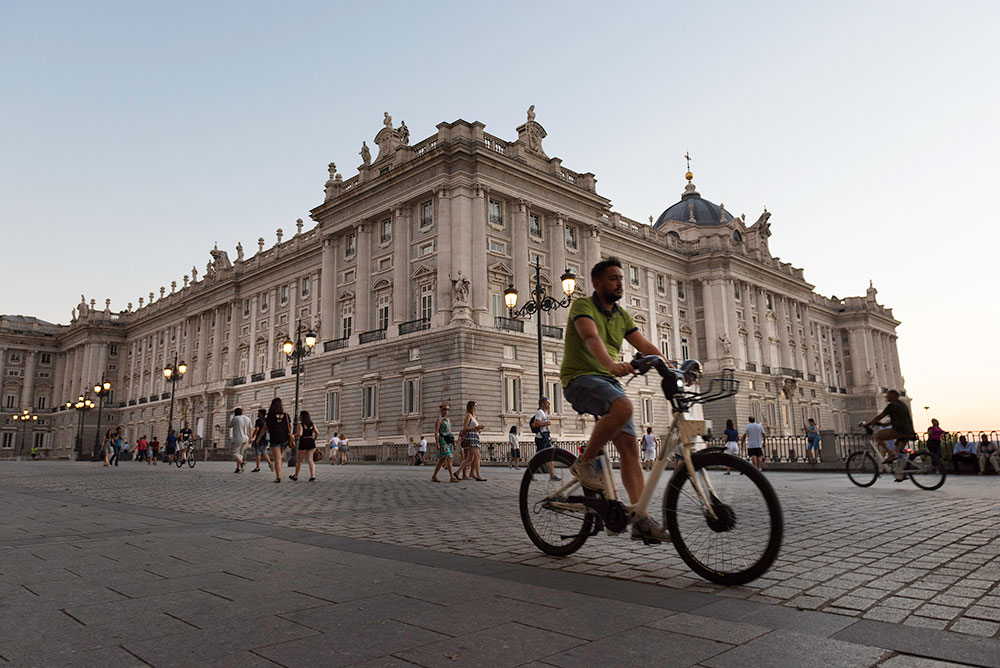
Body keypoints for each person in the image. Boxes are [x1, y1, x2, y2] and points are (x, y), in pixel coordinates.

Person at [562, 257, 671, 543]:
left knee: (629, 450)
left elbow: (644, 345)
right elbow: (590, 337)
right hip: (580, 379)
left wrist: (671, 367)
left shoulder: (621, 316)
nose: (620, 282)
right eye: (613, 278)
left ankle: (640, 518)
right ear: (597, 283)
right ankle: (584, 463)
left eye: (621, 278)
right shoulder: (583, 305)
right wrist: (610, 364)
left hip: (607, 382)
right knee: (624, 405)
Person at [863, 390, 916, 481]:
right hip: (909, 431)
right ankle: (900, 473)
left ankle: (890, 453)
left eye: (888, 395)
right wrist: (885, 425)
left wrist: (869, 424)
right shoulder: (902, 404)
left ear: (893, 396)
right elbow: (899, 419)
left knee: (877, 436)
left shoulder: (892, 405)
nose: (886, 397)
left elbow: (880, 416)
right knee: (899, 451)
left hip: (899, 431)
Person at [455, 401, 487, 481]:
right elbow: (465, 427)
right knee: (477, 456)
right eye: (475, 405)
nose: (476, 407)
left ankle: (457, 472)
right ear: (471, 406)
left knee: (470, 458)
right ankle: (478, 475)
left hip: (475, 436)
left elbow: (474, 428)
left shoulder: (474, 417)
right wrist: (476, 428)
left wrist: (479, 429)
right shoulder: (469, 416)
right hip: (471, 436)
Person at [266, 398, 294, 483]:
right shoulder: (286, 415)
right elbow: (290, 426)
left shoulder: (270, 416)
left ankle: (278, 477)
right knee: (279, 457)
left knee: (277, 458)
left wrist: (259, 437)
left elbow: (266, 427)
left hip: (275, 438)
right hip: (284, 438)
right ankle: (278, 473)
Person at [532, 397, 559, 481]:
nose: (549, 404)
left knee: (549, 456)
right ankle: (530, 473)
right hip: (541, 439)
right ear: (543, 404)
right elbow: (536, 423)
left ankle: (552, 475)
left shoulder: (543, 413)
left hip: (546, 438)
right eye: (547, 403)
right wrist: (546, 423)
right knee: (539, 458)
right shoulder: (540, 412)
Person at [431, 403, 459, 483]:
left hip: (448, 439)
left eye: (448, 409)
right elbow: (436, 432)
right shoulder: (439, 420)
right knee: (449, 457)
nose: (446, 411)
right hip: (442, 439)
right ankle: (451, 477)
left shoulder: (448, 420)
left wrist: (453, 442)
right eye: (444, 409)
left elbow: (450, 432)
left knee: (442, 460)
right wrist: (437, 443)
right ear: (441, 410)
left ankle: (434, 476)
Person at [290, 410, 317, 481]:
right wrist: (314, 439)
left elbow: (300, 434)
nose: (299, 417)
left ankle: (295, 476)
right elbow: (317, 432)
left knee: (299, 461)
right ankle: (312, 475)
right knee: (310, 460)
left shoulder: (301, 424)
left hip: (304, 441)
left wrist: (293, 435)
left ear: (302, 417)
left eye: (300, 415)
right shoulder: (312, 424)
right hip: (311, 441)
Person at [229, 407, 252, 473]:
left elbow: (229, 426)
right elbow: (250, 428)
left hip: (238, 439)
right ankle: (238, 468)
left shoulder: (235, 418)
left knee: (233, 452)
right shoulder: (247, 418)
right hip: (246, 438)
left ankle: (242, 463)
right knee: (240, 454)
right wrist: (250, 438)